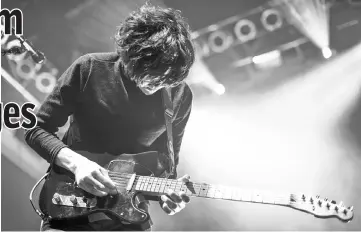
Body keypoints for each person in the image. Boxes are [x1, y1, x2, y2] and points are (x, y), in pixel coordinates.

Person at [24, 2, 195, 231]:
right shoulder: (90, 68)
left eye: (168, 79)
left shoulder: (180, 95)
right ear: (131, 55)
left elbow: (166, 163)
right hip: (70, 202)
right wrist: (78, 165)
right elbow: (36, 128)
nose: (159, 84)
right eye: (153, 76)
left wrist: (166, 194)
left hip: (128, 215)